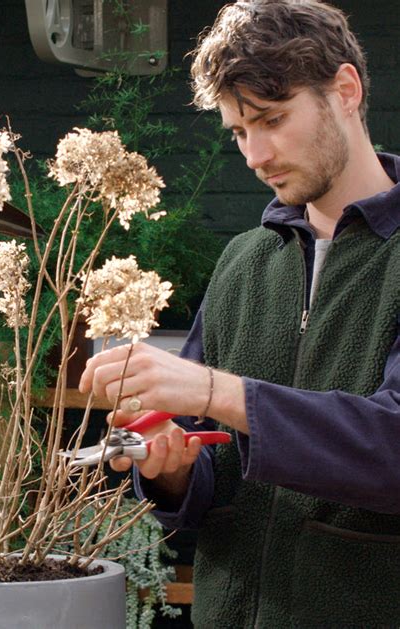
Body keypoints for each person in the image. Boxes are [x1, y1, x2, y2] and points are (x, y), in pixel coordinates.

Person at [79, 1, 400, 626]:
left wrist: (216, 391)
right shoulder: (243, 262)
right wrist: (170, 468)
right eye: (238, 132)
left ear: (345, 90)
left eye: (272, 120)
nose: (255, 154)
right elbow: (211, 471)